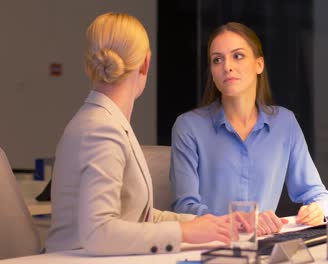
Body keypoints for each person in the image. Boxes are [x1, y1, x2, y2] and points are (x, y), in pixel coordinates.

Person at [45, 12, 231, 256]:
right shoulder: (102, 129)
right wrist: (184, 233)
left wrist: (206, 225)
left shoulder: (102, 121)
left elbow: (135, 216)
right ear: (146, 62)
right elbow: (99, 233)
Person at [170, 22, 328, 235]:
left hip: (262, 248)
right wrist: (240, 222)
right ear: (212, 72)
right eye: (217, 59)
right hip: (209, 248)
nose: (227, 66)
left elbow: (320, 196)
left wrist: (317, 210)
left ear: (259, 64)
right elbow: (185, 209)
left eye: (237, 56)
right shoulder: (188, 127)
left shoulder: (285, 123)